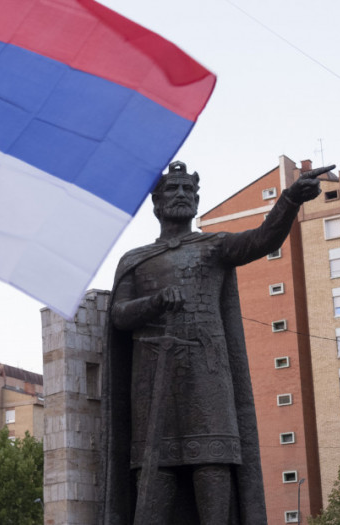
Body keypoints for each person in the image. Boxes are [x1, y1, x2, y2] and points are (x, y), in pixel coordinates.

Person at [102, 160, 326, 525]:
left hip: (207, 371)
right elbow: (119, 316)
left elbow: (262, 239)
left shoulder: (214, 246)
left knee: (213, 458)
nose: (181, 196)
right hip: (152, 376)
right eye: (173, 190)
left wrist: (290, 200)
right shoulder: (135, 260)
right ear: (156, 203)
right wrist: (155, 302)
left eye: (188, 190)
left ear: (196, 200)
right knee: (154, 465)